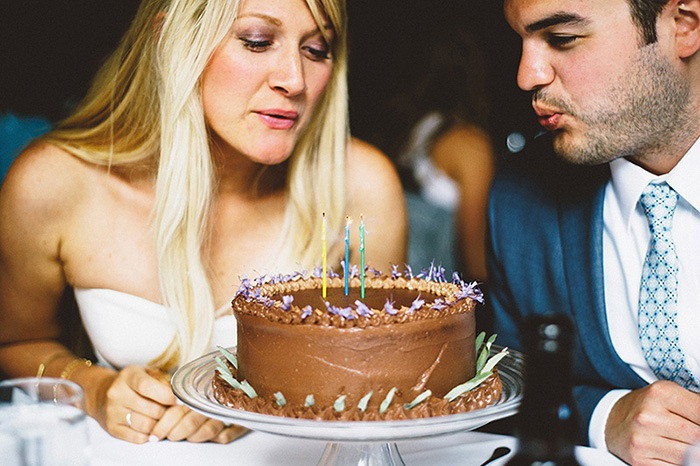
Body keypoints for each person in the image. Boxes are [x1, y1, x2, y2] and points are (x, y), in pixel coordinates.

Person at [0, 0, 406, 445]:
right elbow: (17, 344)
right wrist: (95, 390)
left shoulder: (361, 187)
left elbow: (384, 371)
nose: (294, 80)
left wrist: (266, 400)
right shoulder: (53, 185)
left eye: (316, 49)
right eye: (257, 41)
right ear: (169, 38)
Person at [488, 0, 700, 464]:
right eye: (520, 41)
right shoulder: (519, 200)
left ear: (684, 25)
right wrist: (605, 417)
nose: (527, 76)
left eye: (562, 39)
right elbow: (498, 383)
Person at [364, 21, 495, 282]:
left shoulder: (403, 131)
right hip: (434, 300)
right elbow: (476, 263)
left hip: (386, 289)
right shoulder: (471, 146)